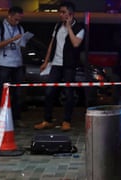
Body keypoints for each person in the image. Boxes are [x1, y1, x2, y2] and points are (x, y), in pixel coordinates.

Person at [34, 1, 85, 131]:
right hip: (55, 64)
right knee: (49, 91)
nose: (60, 15)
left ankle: (67, 121)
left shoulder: (80, 28)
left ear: (71, 14)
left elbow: (76, 44)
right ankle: (47, 119)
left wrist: (69, 28)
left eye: (63, 12)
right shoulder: (57, 26)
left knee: (69, 93)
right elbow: (52, 43)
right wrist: (46, 61)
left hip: (69, 65)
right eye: (60, 12)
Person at [0, 6, 30, 128]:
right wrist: (12, 39)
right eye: (15, 19)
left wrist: (23, 40)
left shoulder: (19, 28)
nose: (17, 22)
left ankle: (16, 118)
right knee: (2, 93)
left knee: (18, 93)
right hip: (4, 64)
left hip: (18, 63)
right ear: (9, 16)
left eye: (19, 20)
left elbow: (22, 44)